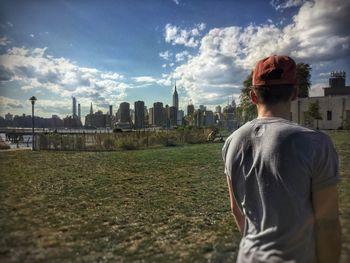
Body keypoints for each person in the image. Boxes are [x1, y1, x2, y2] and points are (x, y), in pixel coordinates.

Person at [222, 56, 341, 263]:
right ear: (295, 93)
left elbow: (236, 210)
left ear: (252, 96)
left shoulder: (232, 142)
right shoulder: (317, 143)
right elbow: (327, 222)